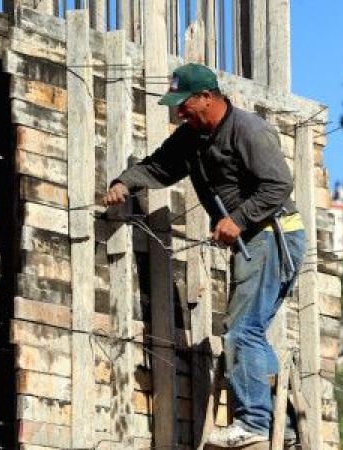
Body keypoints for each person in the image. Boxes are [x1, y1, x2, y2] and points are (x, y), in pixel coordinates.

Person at [103, 63, 306, 448]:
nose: (178, 111)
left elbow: (279, 184)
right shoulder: (191, 138)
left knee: (242, 330)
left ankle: (257, 424)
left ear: (207, 98)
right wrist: (123, 182)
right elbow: (158, 168)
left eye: (184, 104)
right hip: (254, 240)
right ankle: (288, 427)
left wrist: (238, 219)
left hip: (273, 235)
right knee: (250, 331)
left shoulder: (248, 130)